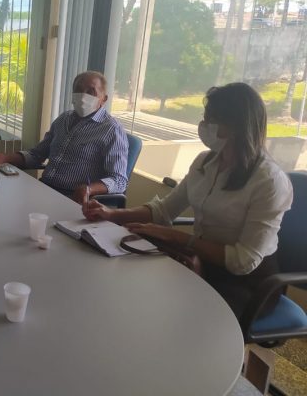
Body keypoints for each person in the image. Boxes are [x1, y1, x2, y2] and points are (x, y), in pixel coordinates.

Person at [83, 83, 293, 320]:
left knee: (181, 316)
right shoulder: (205, 162)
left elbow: (243, 261)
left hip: (247, 284)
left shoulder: (269, 181)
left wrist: (176, 237)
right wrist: (112, 215)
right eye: (205, 117)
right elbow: (165, 209)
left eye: (212, 120)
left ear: (237, 126)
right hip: (201, 260)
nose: (204, 125)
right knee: (135, 284)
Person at [0, 70, 128, 203]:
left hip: (73, 199)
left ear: (104, 99)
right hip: (44, 189)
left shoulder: (111, 130)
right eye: (78, 90)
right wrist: (3, 158)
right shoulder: (64, 119)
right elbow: (37, 155)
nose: (83, 96)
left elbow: (119, 180)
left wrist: (89, 189)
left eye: (91, 91)